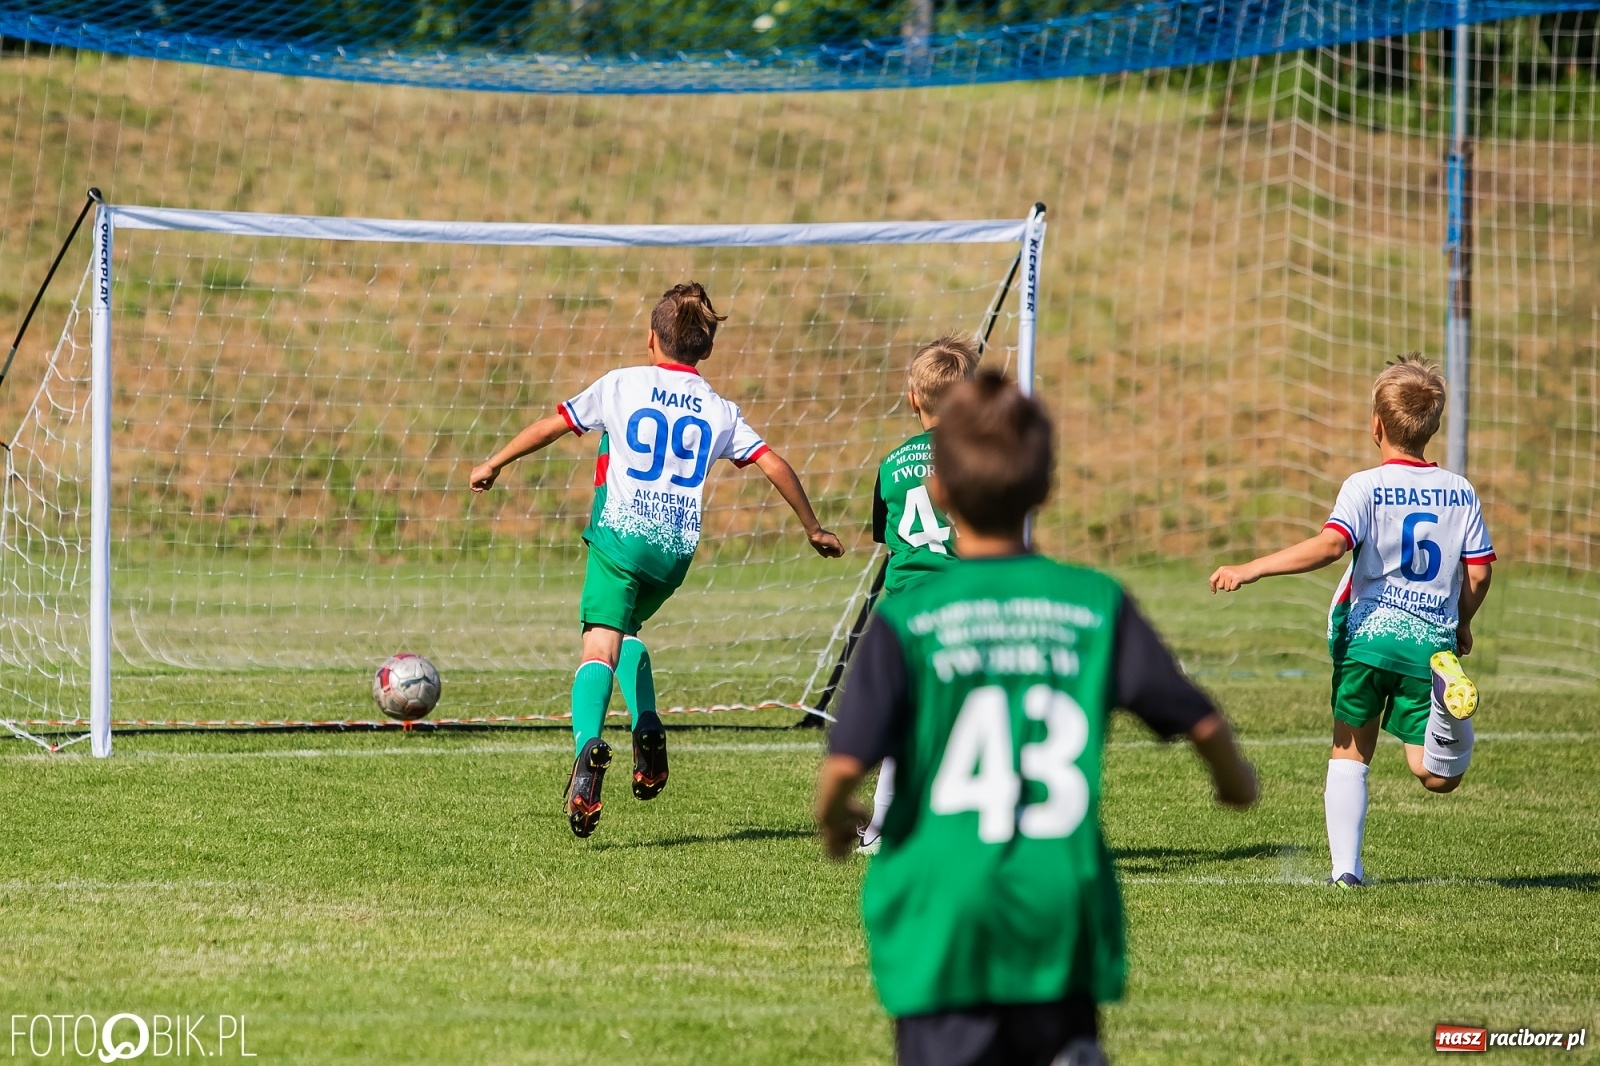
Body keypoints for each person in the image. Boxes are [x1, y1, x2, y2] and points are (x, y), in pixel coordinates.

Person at [817, 370, 1257, 1066]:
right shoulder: (1092, 602)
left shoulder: (906, 618)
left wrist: (837, 821)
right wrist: (1235, 782)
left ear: (940, 490)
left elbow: (842, 766)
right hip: (1060, 904)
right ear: (1044, 489)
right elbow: (1198, 720)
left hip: (944, 910)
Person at [472, 282, 843, 838]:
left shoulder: (622, 384)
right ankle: (647, 728)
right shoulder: (719, 409)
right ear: (705, 349)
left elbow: (555, 424)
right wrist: (812, 527)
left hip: (620, 540)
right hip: (673, 553)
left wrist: (494, 462)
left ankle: (586, 755)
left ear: (651, 339)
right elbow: (773, 462)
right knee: (628, 632)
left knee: (599, 644)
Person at [1209, 354, 1493, 887]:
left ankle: (1346, 872)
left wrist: (1251, 568)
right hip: (1429, 644)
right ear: (1433, 426)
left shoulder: (1364, 486)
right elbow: (1477, 575)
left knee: (1350, 752)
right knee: (1433, 775)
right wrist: (1461, 624)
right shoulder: (1461, 492)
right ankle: (1451, 705)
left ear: (1377, 425)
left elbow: (1331, 546)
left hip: (1366, 639)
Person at [858, 334, 979, 855]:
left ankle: (881, 827)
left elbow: (884, 534)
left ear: (913, 399)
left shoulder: (890, 464)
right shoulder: (979, 460)